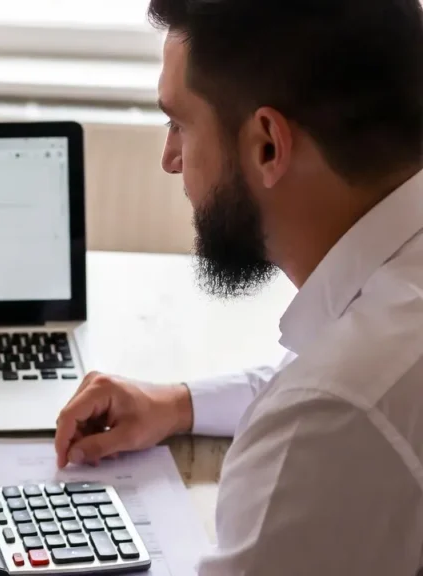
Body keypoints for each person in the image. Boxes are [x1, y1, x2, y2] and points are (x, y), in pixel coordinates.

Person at [55, 0, 423, 573]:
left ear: (267, 145)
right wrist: (177, 404)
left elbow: (343, 401)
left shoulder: (328, 423)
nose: (170, 159)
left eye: (179, 123)